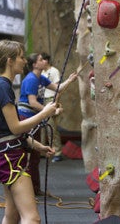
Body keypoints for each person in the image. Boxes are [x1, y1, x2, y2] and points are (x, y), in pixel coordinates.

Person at [0, 40, 58, 224]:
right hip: (11, 158)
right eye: (21, 57)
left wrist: (38, 146)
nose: (24, 61)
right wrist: (44, 113)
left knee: (13, 215)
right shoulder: (3, 87)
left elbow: (10, 131)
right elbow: (15, 127)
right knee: (32, 218)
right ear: (10, 60)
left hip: (6, 155)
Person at [17, 52, 77, 195]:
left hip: (33, 117)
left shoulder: (40, 77)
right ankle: (27, 189)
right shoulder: (31, 79)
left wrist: (69, 80)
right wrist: (49, 111)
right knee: (29, 154)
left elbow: (58, 88)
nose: (45, 61)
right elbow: (32, 102)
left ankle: (35, 189)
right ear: (35, 64)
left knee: (35, 155)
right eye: (41, 59)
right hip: (26, 117)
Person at [41, 53, 63, 163]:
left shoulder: (54, 71)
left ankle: (57, 152)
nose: (40, 61)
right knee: (42, 128)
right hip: (42, 100)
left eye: (42, 59)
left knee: (52, 127)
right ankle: (42, 150)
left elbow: (58, 88)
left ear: (47, 60)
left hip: (51, 99)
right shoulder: (41, 72)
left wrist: (55, 103)